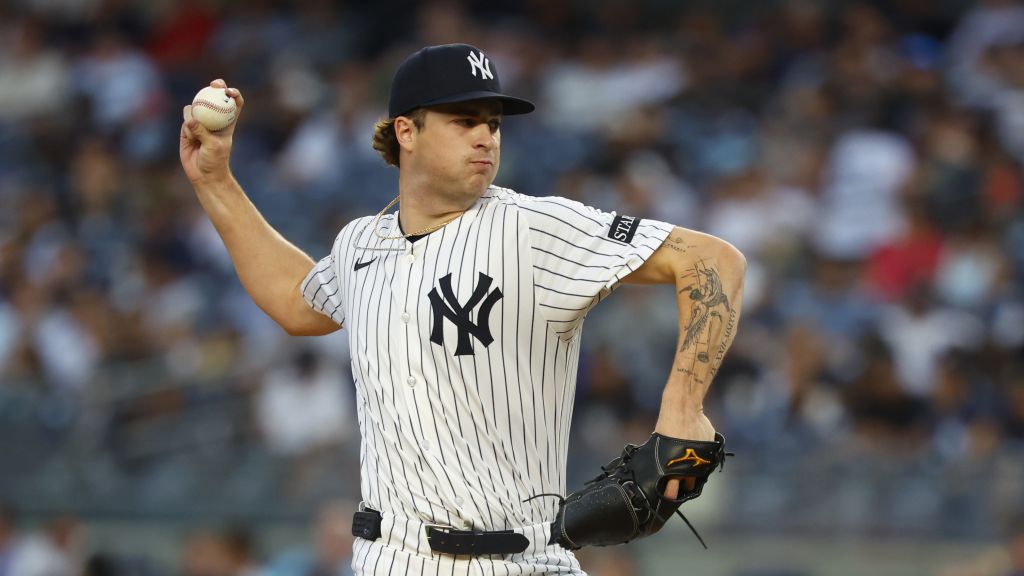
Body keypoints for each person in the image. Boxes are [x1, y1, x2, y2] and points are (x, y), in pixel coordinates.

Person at [179, 43, 745, 575]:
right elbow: (296, 304)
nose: (486, 138)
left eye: (492, 124)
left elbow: (712, 259)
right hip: (389, 556)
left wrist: (681, 405)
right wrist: (216, 183)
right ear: (406, 131)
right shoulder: (360, 244)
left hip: (521, 558)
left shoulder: (532, 228)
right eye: (464, 121)